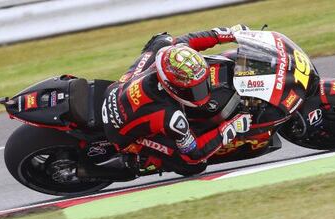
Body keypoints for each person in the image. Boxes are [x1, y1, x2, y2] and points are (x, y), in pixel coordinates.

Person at [102, 25, 252, 171]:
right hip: (119, 133)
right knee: (193, 165)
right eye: (194, 89)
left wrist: (231, 34)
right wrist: (232, 127)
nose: (201, 92)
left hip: (116, 89)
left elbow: (189, 40)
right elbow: (195, 153)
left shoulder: (167, 55)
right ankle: (144, 159)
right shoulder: (172, 117)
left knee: (163, 39)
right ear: (172, 87)